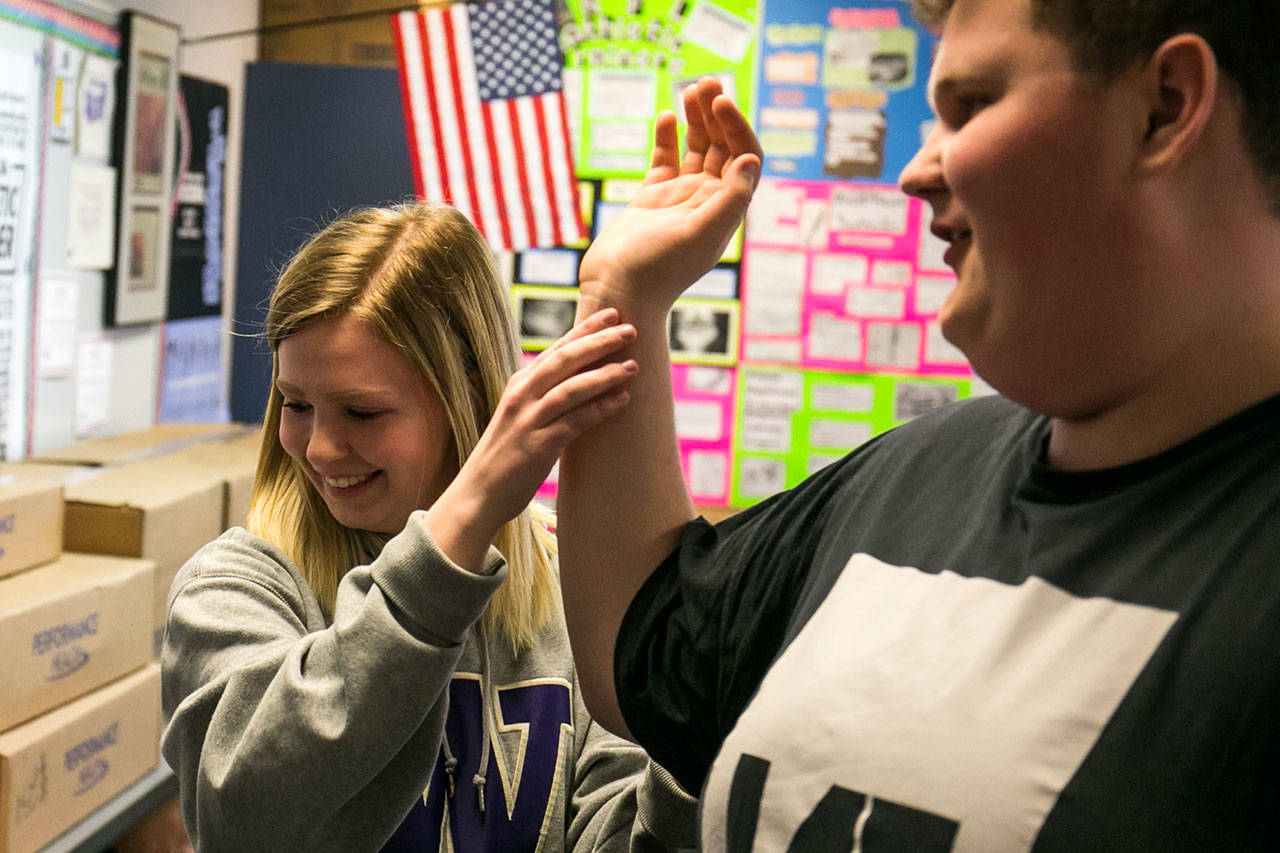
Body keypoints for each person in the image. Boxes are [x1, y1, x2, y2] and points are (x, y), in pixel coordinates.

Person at [555, 0, 1280, 848]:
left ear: (1163, 105)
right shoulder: (922, 469)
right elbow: (637, 653)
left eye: (969, 107)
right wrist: (624, 297)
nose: (917, 169)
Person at [160, 203, 698, 851]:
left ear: (467, 400)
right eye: (296, 404)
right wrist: (465, 519)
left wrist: (694, 743)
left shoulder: (567, 590)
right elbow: (247, 815)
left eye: (362, 412)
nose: (323, 448)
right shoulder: (234, 589)